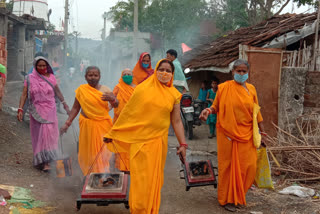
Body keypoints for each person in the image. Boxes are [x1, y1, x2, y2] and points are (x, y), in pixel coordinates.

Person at [104, 59, 187, 214]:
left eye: (168, 71)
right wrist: (114, 133)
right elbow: (129, 114)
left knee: (154, 182)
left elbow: (176, 121)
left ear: (172, 74)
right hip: (140, 143)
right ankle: (139, 210)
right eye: (161, 69)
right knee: (141, 182)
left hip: (159, 143)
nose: (164, 73)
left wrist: (183, 144)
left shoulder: (174, 94)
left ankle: (150, 210)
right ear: (155, 71)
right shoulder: (142, 90)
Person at [200, 59, 267, 212]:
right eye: (239, 71)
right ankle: (227, 199)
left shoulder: (252, 89)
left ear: (248, 72)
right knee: (228, 167)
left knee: (249, 166)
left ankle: (238, 194)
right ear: (233, 72)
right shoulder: (223, 88)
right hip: (228, 134)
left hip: (247, 133)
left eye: (244, 71)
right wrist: (208, 111)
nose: (241, 74)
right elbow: (215, 106)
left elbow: (257, 112)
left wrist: (262, 132)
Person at [60, 66, 119, 175]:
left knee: (102, 152)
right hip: (87, 126)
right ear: (85, 77)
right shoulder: (82, 90)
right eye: (90, 75)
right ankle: (89, 176)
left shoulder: (105, 90)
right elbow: (76, 108)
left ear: (99, 76)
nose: (93, 77)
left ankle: (103, 175)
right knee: (88, 153)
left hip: (102, 125)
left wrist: (112, 99)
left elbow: (116, 105)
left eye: (95, 75)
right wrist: (67, 123)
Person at [17, 57, 70, 172]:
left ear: (47, 66)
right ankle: (42, 160)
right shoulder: (29, 78)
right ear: (35, 66)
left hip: (50, 109)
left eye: (44, 66)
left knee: (49, 136)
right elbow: (24, 94)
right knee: (39, 136)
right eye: (39, 66)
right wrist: (20, 108)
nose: (41, 68)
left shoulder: (51, 77)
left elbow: (58, 91)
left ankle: (48, 161)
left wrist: (65, 104)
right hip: (36, 110)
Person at [112, 68, 136, 171]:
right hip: (119, 121)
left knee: (131, 143)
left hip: (133, 121)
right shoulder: (118, 87)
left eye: (129, 74)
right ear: (121, 76)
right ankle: (120, 165)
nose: (127, 76)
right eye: (125, 74)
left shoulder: (137, 88)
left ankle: (132, 165)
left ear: (132, 76)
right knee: (120, 143)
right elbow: (112, 101)